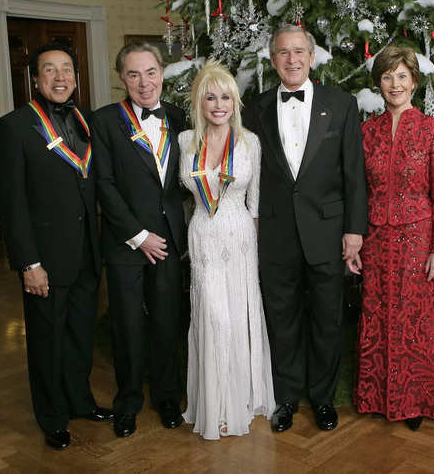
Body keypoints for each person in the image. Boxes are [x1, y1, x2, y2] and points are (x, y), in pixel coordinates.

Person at [243, 24, 367, 433]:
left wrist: (354, 230)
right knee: (282, 318)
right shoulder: (254, 107)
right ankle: (286, 396)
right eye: (283, 52)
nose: (292, 60)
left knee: (327, 319)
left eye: (299, 52)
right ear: (272, 59)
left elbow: (354, 173)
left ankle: (323, 398)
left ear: (312, 57)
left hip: (329, 233)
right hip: (276, 234)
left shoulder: (342, 103)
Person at [0, 42, 113, 450]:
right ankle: (52, 416)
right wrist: (29, 262)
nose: (60, 78)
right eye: (50, 70)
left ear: (76, 78)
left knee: (80, 335)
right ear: (35, 79)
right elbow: (12, 204)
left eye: (67, 69)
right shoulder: (14, 127)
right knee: (47, 340)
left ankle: (80, 401)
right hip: (45, 258)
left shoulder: (86, 120)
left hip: (86, 253)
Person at [354, 45, 434, 431]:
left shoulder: (432, 131)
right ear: (378, 83)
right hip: (376, 238)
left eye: (401, 76)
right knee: (377, 315)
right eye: (386, 76)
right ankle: (377, 397)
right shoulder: (367, 131)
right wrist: (357, 240)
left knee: (416, 321)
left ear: (413, 80)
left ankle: (416, 401)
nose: (394, 84)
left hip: (417, 239)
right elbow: (358, 191)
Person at [92, 42, 187, 438]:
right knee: (127, 326)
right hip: (126, 242)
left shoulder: (181, 117)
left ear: (162, 73)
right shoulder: (104, 121)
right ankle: (128, 401)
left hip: (169, 241)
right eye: (133, 74)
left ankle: (167, 398)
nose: (144, 82)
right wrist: (137, 234)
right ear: (122, 79)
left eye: (150, 72)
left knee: (168, 320)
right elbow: (105, 184)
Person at [179, 60, 276, 439]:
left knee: (238, 314)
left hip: (239, 236)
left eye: (225, 97)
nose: (218, 104)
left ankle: (242, 399)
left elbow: (255, 203)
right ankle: (214, 403)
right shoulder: (187, 141)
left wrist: (254, 248)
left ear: (235, 101)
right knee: (211, 316)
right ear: (199, 103)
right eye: (210, 97)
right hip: (203, 233)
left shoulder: (249, 141)